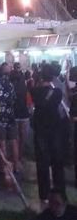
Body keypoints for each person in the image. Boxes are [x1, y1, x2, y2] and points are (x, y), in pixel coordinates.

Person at [31, 63, 66, 204]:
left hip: (40, 130)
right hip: (54, 129)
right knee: (57, 162)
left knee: (42, 163)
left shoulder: (34, 92)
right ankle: (60, 192)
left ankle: (44, 195)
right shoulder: (57, 93)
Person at [0, 63, 20, 182]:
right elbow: (14, 98)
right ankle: (16, 166)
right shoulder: (10, 83)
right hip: (10, 115)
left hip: (0, 116)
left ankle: (4, 167)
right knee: (14, 141)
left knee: (2, 142)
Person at [11, 63, 30, 160]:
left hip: (15, 112)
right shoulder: (24, 86)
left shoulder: (10, 84)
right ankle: (20, 156)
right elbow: (28, 101)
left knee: (16, 136)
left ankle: (16, 156)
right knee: (22, 136)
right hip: (23, 112)